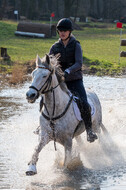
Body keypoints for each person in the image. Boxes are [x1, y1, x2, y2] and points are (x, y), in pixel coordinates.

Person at [49, 18, 98, 143]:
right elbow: (49, 62)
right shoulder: (55, 47)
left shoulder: (76, 45)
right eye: (60, 31)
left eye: (65, 30)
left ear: (70, 32)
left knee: (83, 102)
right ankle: (42, 126)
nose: (62, 33)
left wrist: (68, 71)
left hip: (75, 80)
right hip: (61, 82)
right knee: (47, 98)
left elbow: (79, 63)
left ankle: (89, 131)